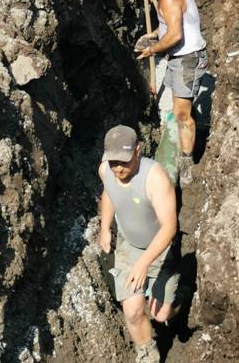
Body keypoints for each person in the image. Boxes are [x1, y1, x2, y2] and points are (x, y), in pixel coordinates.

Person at [99, 125, 179, 363]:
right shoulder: (106, 170)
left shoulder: (155, 178)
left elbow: (169, 227)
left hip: (160, 250)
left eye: (123, 161)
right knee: (133, 311)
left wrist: (145, 262)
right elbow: (108, 194)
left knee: (160, 313)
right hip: (129, 247)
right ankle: (147, 354)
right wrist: (105, 228)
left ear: (138, 151)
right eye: (113, 162)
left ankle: (182, 297)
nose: (118, 168)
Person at [132, 0, 209, 185]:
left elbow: (175, 34)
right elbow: (171, 23)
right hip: (179, 60)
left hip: (188, 61)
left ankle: (186, 163)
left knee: (182, 115)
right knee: (171, 102)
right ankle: (172, 130)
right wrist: (155, 35)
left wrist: (153, 50)